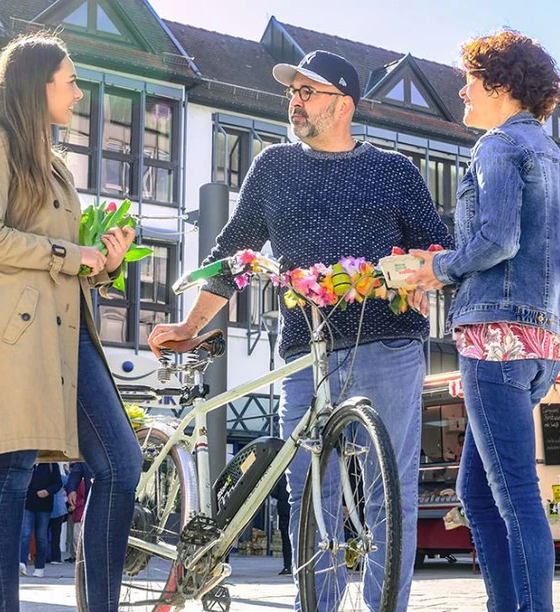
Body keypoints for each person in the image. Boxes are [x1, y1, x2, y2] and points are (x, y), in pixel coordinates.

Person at [148, 49, 451, 610]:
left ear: (343, 105)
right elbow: (232, 253)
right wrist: (191, 327)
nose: (294, 101)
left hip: (389, 344)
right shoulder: (273, 167)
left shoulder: (395, 171)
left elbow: (438, 247)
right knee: (311, 491)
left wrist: (422, 271)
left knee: (390, 491)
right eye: (292, 92)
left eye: (306, 92)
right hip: (304, 351)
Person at [406, 28, 560, 612]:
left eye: (469, 78)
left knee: (515, 493)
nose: (461, 90)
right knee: (477, 492)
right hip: (541, 347)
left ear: (499, 85)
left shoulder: (497, 146)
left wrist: (437, 268)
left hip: (495, 339)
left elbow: (496, 239)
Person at [0, 33, 143, 612]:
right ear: (40, 85)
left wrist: (103, 264)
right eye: (71, 80)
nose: (79, 93)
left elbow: (63, 258)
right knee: (9, 472)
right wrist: (69, 256)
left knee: (121, 464)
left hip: (67, 336)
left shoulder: (52, 163)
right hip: (14, 337)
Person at [20, 462, 63, 578]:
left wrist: (47, 491)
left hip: (44, 506)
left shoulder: (51, 463)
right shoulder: (27, 462)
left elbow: (58, 483)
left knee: (41, 537)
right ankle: (22, 563)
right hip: (27, 504)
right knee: (25, 534)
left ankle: (39, 567)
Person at [64, 462, 89, 563]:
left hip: (80, 511)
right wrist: (72, 490)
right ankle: (80, 559)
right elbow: (75, 474)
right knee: (76, 537)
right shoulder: (84, 458)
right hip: (81, 512)